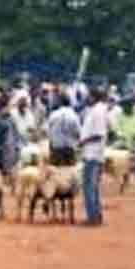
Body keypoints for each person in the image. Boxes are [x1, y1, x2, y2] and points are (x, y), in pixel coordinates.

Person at [79, 87, 109, 227]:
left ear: (93, 97)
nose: (86, 99)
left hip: (93, 153)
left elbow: (98, 134)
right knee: (93, 186)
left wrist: (83, 141)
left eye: (88, 96)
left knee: (89, 186)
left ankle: (93, 217)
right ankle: (96, 214)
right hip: (93, 152)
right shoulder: (97, 110)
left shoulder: (98, 111)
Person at [45, 93, 80, 167]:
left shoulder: (54, 115)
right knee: (69, 173)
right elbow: (78, 133)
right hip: (69, 149)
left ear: (60, 102)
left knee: (56, 174)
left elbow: (48, 131)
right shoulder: (74, 115)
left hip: (56, 148)